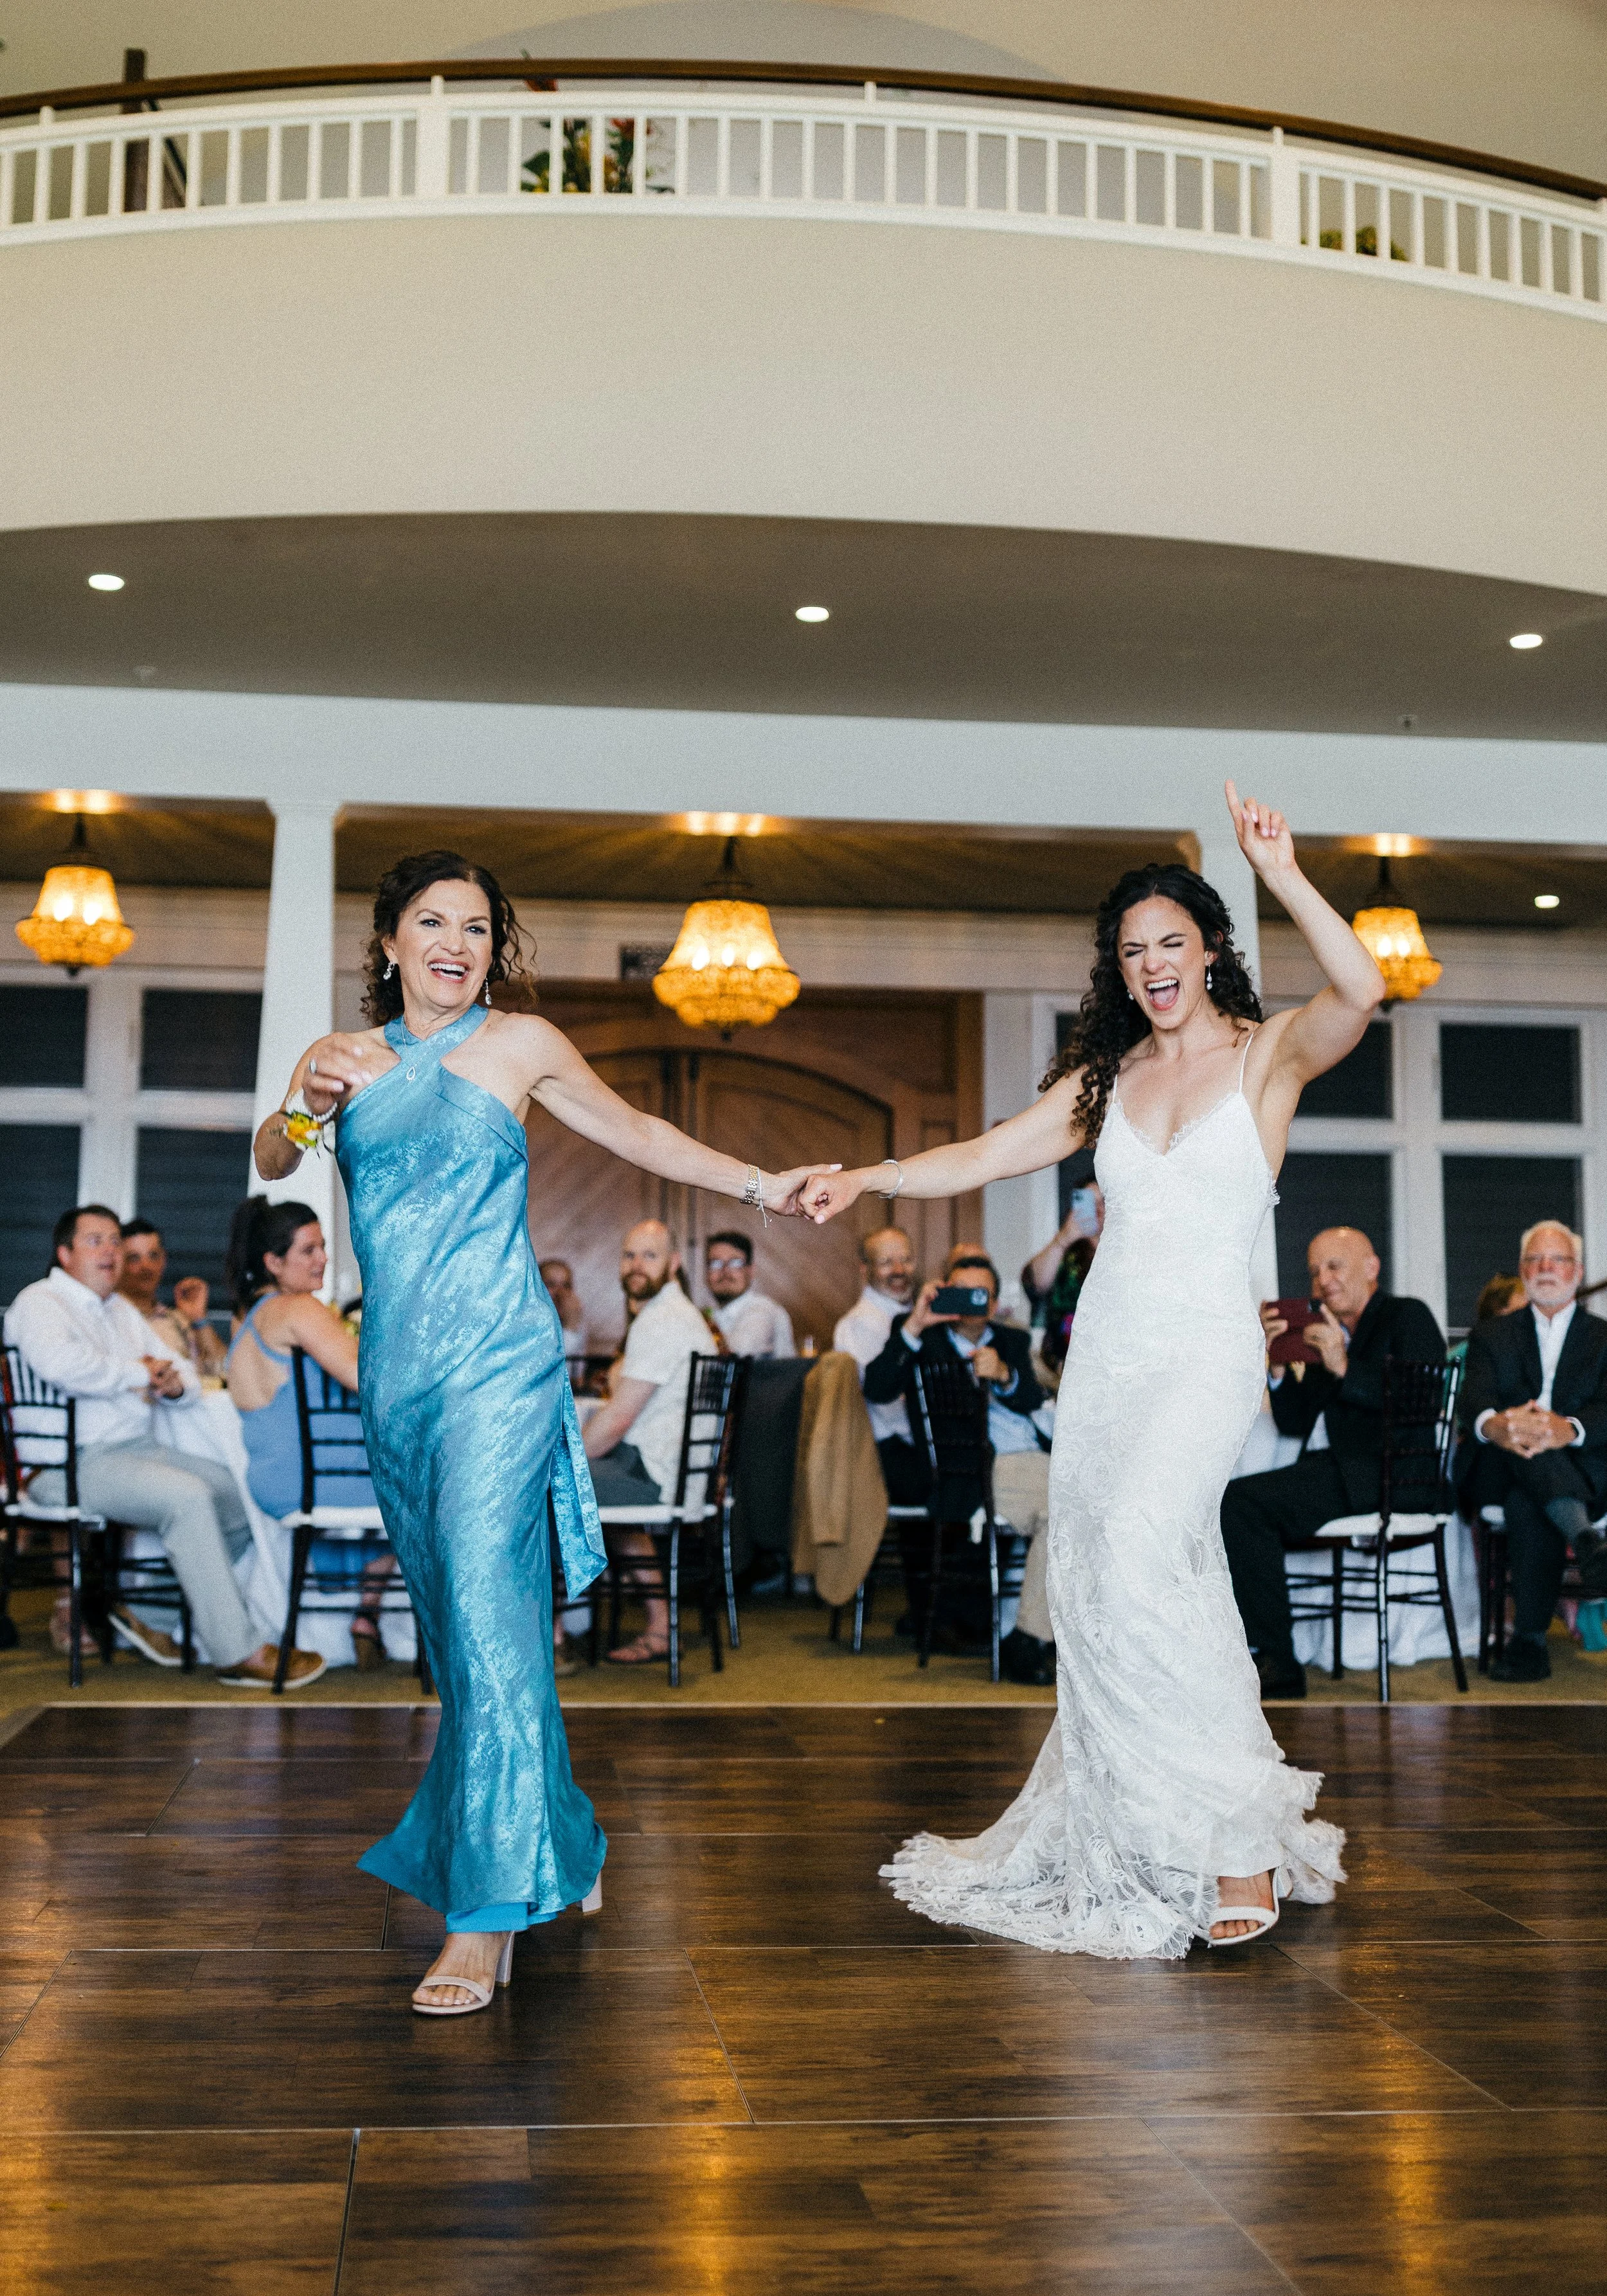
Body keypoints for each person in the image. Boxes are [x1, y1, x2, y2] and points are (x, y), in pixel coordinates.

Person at [801, 782, 1380, 1954]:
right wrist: (871, 1176)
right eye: (1133, 952)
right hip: (1108, 1354)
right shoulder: (1106, 1080)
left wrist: (1287, 876)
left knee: (1145, 1546)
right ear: (1119, 972)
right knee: (1108, 1581)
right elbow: (987, 1150)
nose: (1155, 964)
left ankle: (1237, 1840)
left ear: (1210, 949)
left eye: (1173, 942)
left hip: (1205, 1355)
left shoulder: (1267, 1058)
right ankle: (1143, 1820)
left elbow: (1362, 990)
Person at [253, 850, 829, 2014]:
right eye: (433, 921)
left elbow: (645, 1136)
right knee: (472, 1634)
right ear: (391, 943)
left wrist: (764, 1185)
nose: (455, 941)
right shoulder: (343, 1059)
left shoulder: (519, 1046)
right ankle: (566, 1837)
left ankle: (486, 1915)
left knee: (486, 1613)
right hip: (400, 1379)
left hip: (504, 1369)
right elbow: (270, 1166)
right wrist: (297, 1107)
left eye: (476, 925)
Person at [4, 1204, 323, 1687]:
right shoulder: (40, 1301)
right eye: (96, 1241)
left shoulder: (117, 1311)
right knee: (189, 1499)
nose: (110, 1251)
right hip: (67, 1464)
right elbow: (61, 1364)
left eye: (115, 1241)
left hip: (134, 1449)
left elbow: (185, 1372)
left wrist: (174, 1386)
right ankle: (238, 1651)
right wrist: (140, 1373)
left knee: (235, 1498)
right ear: (64, 1253)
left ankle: (146, 1615)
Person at [1219, 1226, 1445, 1701]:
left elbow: (1421, 1403)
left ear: (1371, 1269)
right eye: (1315, 1270)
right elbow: (1297, 1422)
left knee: (1241, 1503)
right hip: (1341, 1472)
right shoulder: (1330, 1335)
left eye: (1334, 1266)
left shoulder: (1408, 1317)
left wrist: (1343, 1365)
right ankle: (1270, 1651)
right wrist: (1277, 1365)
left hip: (1393, 1474)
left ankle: (1277, 1659)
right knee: (1238, 1499)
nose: (1322, 1280)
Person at [864, 1245, 1052, 1674]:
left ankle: (1030, 1636)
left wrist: (1005, 1374)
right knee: (1066, 1507)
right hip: (973, 1468)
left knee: (1077, 1508)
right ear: (943, 1292)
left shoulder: (1012, 1339)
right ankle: (1030, 1639)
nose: (971, 1303)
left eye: (980, 1295)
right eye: (960, 1292)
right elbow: (877, 1389)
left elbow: (1032, 1400)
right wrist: (915, 1322)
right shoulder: (921, 1338)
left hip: (1031, 1455)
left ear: (995, 1300)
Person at [223, 1196, 386, 1669]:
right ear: (274, 1262)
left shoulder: (248, 1317)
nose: (323, 1259)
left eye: (321, 1247)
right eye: (308, 1251)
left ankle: (367, 1617)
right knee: (432, 1487)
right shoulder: (300, 1310)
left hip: (275, 1479)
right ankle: (380, 1618)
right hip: (313, 1478)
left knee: (413, 1479)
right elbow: (363, 1376)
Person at [1455, 1219, 1607, 1681]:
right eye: (1535, 1260)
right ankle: (1587, 1543)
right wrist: (1498, 1426)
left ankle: (1530, 1645)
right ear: (1522, 1271)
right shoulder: (1492, 1334)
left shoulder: (1604, 1337)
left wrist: (1570, 1429)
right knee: (1520, 1451)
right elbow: (1474, 1401)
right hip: (1499, 1465)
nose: (1546, 1268)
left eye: (1557, 1259)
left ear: (1577, 1272)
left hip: (1580, 1472)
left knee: (1530, 1502)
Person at [581, 1219, 720, 1665]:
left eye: (650, 1255)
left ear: (674, 1263)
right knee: (591, 1500)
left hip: (658, 1473)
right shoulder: (664, 1315)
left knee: (545, 1488)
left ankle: (552, 1630)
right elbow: (622, 1381)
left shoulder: (663, 1321)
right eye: (630, 1255)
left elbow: (616, 1421)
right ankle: (660, 1627)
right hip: (665, 1467)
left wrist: (562, 1462)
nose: (637, 1265)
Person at [832, 1226, 925, 1503]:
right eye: (886, 1263)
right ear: (865, 1270)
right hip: (885, 1454)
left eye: (906, 1260)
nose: (899, 1270)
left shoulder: (919, 1315)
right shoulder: (857, 1324)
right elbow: (886, 1404)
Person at [116, 1217, 228, 1377]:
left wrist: (199, 1318)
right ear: (119, 1263)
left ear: (163, 1260)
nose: (146, 1266)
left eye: (153, 1256)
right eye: (134, 1258)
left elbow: (223, 1372)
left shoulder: (178, 1321)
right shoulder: (110, 1318)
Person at [705, 1229, 797, 1358]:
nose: (725, 1271)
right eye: (715, 1263)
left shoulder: (763, 1310)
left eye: (735, 1263)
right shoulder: (709, 1315)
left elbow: (736, 1355)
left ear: (751, 1270)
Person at [539, 1258, 594, 1374]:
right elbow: (549, 1369)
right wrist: (571, 1329)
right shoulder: (526, 1322)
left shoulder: (576, 1321)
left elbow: (577, 1376)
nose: (560, 1293)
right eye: (551, 1285)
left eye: (566, 1286)